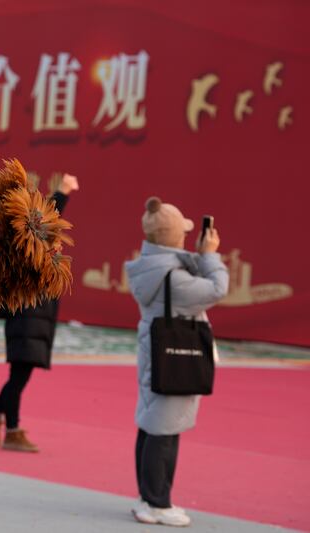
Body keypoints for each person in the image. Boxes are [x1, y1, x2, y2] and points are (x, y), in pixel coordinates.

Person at [124, 197, 228, 527]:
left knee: (153, 423)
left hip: (156, 352)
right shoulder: (175, 278)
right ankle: (157, 502)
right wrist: (210, 256)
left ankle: (148, 498)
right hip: (175, 357)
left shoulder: (154, 269)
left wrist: (199, 256)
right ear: (173, 237)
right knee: (164, 430)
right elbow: (217, 288)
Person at [0, 172, 79, 453]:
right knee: (19, 377)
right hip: (28, 319)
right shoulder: (28, 242)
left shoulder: (25, 242)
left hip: (32, 319)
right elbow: (48, 217)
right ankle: (10, 429)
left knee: (19, 375)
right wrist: (64, 192)